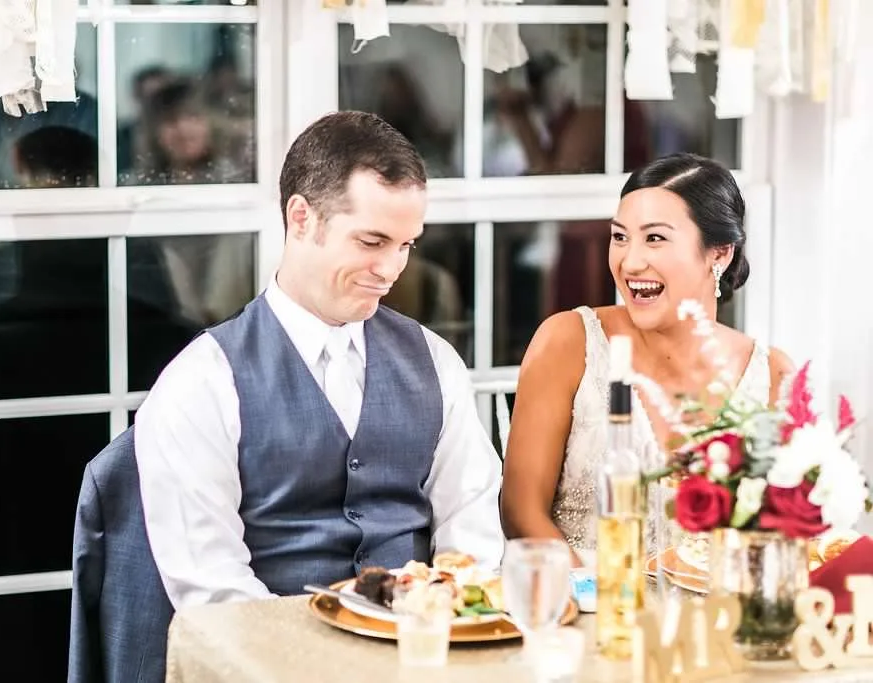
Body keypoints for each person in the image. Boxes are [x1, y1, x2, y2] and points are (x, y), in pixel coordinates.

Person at [134, 111, 504, 607]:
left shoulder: (437, 363)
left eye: (406, 245)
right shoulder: (201, 383)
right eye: (372, 242)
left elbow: (472, 533)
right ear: (301, 218)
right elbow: (213, 591)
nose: (391, 269)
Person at [500, 153, 794, 567]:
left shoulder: (774, 378)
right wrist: (607, 600)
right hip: (583, 613)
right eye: (620, 237)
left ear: (720, 253)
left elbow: (788, 539)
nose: (630, 261)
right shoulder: (568, 342)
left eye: (654, 238)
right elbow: (520, 513)